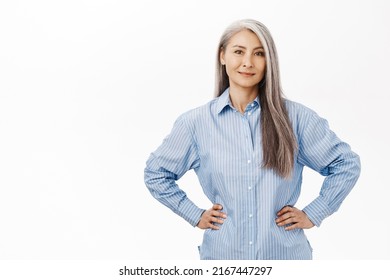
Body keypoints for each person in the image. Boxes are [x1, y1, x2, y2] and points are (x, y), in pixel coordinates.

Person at [144, 19, 361, 260]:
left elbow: (346, 164)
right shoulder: (195, 124)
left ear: (269, 62)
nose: (248, 62)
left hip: (285, 261)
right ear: (222, 55)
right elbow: (156, 173)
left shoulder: (296, 119)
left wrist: (313, 213)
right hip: (223, 260)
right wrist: (194, 214)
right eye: (239, 51)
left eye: (259, 53)